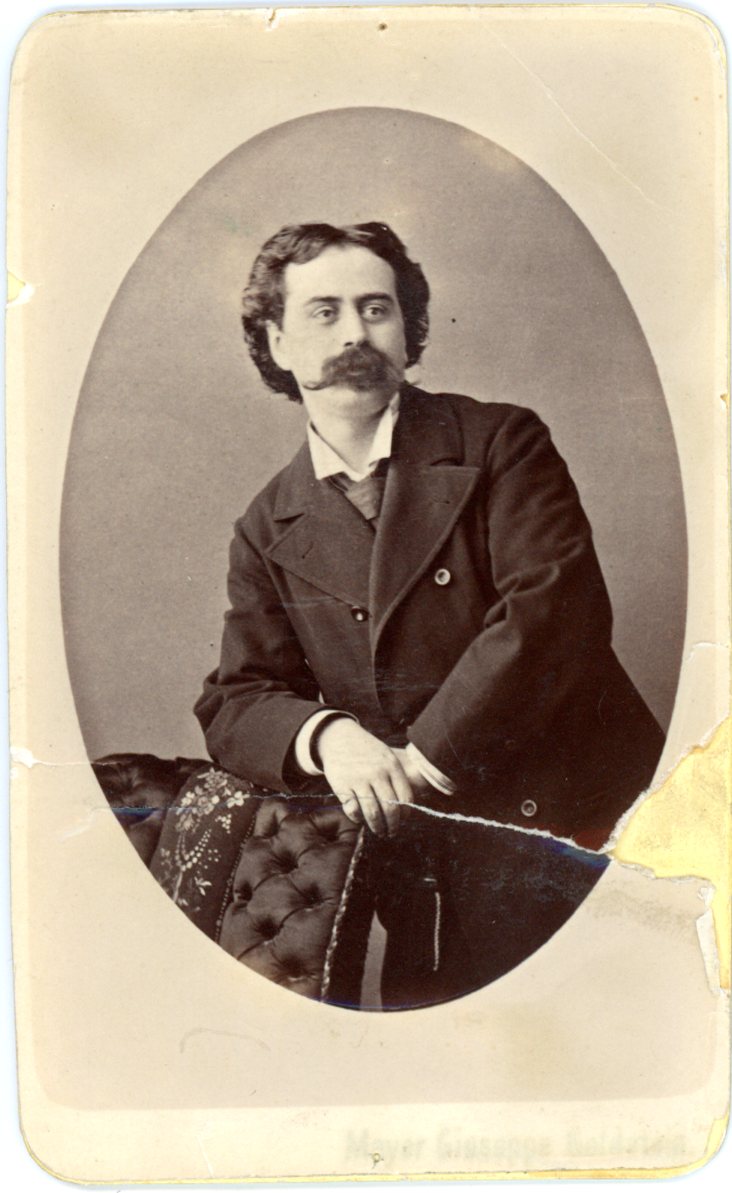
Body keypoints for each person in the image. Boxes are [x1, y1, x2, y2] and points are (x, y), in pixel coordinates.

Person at [194, 221, 665, 1009]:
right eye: (324, 312)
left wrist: (417, 764)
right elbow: (238, 697)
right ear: (276, 342)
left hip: (577, 830)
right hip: (426, 872)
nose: (355, 333)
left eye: (376, 308)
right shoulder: (267, 523)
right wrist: (329, 736)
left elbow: (553, 614)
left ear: (408, 329)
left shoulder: (501, 442)